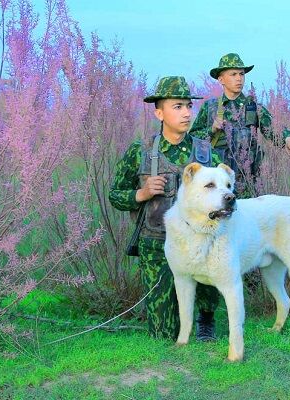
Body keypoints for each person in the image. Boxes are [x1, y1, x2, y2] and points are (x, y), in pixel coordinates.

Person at [109, 76, 222, 341]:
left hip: (198, 244)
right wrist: (142, 193)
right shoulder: (141, 151)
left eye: (188, 106)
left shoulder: (206, 154)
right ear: (159, 112)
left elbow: (227, 195)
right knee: (162, 335)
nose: (185, 113)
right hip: (156, 243)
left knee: (208, 280)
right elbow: (115, 195)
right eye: (177, 106)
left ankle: (206, 316)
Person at [190, 53, 290, 197]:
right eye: (233, 74)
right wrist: (211, 129)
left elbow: (273, 128)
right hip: (218, 184)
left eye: (241, 74)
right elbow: (193, 138)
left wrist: (289, 138)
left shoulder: (253, 107)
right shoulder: (210, 107)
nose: (239, 78)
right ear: (221, 79)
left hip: (248, 181)